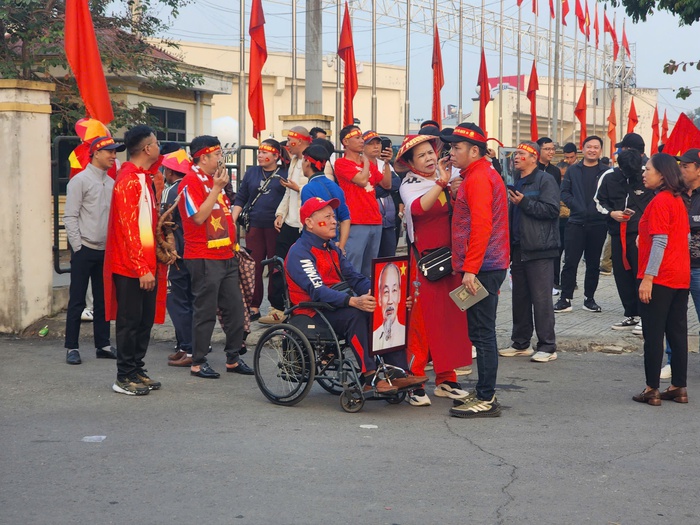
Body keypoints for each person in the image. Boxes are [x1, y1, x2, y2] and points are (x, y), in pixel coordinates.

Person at [285, 197, 427, 394]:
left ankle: (398, 372)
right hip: (311, 311)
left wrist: (385, 294)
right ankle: (370, 376)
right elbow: (317, 291)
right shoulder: (300, 252)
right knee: (356, 314)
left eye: (333, 216)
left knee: (386, 309)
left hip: (335, 305)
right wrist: (352, 300)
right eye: (327, 217)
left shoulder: (331, 247)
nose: (335, 221)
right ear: (309, 223)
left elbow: (355, 278)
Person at [396, 134, 472, 406]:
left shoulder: (447, 178)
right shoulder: (410, 185)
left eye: (430, 152)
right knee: (421, 320)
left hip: (450, 261)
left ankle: (447, 378)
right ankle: (415, 379)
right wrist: (442, 183)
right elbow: (418, 209)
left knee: (451, 317)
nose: (429, 158)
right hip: (425, 263)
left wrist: (452, 186)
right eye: (422, 156)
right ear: (411, 163)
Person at [442, 123, 510, 418]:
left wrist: (470, 269)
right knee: (479, 332)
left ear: (474, 150)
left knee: (483, 334)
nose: (451, 152)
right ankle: (484, 390)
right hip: (483, 265)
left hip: (483, 267)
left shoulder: (480, 177)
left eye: (456, 147)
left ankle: (486, 398)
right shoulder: (476, 175)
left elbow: (483, 226)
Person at [178, 135, 251, 379]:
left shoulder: (212, 179)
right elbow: (197, 217)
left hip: (226, 254)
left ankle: (233, 358)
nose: (221, 158)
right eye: (217, 154)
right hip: (203, 256)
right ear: (203, 157)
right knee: (205, 311)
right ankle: (198, 362)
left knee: (235, 309)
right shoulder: (190, 181)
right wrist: (218, 189)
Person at [104, 125, 167, 395]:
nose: (159, 147)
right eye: (156, 142)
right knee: (130, 322)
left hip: (144, 262)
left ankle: (136, 369)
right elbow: (129, 229)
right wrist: (142, 267)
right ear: (147, 149)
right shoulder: (129, 180)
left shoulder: (144, 177)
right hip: (130, 265)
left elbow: (145, 224)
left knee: (144, 320)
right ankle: (123, 375)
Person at [632, 153, 690, 406]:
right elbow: (682, 239)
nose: (644, 173)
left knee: (653, 334)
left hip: (661, 277)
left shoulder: (660, 201)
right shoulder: (678, 201)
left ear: (662, 175)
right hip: (680, 276)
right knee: (677, 334)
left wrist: (648, 277)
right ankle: (679, 386)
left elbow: (660, 241)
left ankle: (651, 388)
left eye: (648, 169)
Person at [63, 136, 124, 365]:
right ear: (96, 153)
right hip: (84, 249)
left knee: (103, 300)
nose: (113, 156)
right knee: (77, 300)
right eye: (109, 151)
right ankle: (71, 347)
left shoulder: (111, 183)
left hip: (105, 251)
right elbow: (70, 216)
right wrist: (77, 246)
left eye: (115, 152)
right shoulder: (80, 181)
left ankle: (103, 345)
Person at [499, 142, 560, 363]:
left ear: (534, 157)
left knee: (542, 299)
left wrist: (525, 203)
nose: (516, 157)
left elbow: (553, 210)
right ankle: (521, 343)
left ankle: (547, 346)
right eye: (515, 154)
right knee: (520, 298)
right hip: (518, 248)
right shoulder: (517, 181)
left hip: (540, 249)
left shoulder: (545, 180)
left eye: (521, 154)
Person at [594, 133, 653, 333]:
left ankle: (646, 317)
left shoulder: (648, 175)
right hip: (617, 234)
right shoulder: (609, 177)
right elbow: (598, 201)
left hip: (640, 237)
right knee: (621, 274)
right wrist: (612, 213)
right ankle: (631, 314)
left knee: (641, 274)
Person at [232, 139, 288, 320]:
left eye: (265, 153)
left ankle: (275, 306)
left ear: (276, 156)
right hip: (254, 225)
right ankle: (253, 306)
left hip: (275, 227)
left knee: (274, 266)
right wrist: (232, 220)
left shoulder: (284, 173)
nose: (261, 156)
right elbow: (241, 197)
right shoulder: (252, 172)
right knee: (252, 266)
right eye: (260, 152)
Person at [555, 135, 609, 313]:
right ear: (583, 149)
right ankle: (565, 299)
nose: (592, 150)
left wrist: (599, 209)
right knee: (570, 262)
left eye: (596, 147)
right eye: (589, 146)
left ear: (600, 150)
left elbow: (611, 195)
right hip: (576, 222)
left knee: (593, 263)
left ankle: (589, 299)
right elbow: (564, 193)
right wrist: (577, 207)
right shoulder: (573, 170)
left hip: (598, 223)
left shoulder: (606, 172)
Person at [265, 126, 312, 324]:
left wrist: (298, 187)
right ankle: (278, 308)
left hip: (304, 225)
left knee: (301, 267)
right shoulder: (293, 161)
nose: (287, 146)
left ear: (300, 142)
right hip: (289, 223)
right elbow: (287, 192)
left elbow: (319, 188)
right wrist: (280, 213)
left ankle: (302, 308)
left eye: (290, 141)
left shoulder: (315, 161)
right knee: (279, 264)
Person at [334, 125, 392, 277]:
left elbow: (387, 184)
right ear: (345, 142)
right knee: (353, 267)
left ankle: (367, 298)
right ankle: (352, 299)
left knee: (369, 270)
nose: (361, 141)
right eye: (357, 138)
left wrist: (386, 163)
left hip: (375, 220)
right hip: (356, 221)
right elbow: (361, 180)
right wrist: (366, 163)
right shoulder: (341, 163)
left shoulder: (369, 164)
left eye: (361, 138)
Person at [159, 149, 196, 367]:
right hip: (192, 251)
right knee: (190, 300)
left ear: (170, 171)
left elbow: (164, 222)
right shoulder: (192, 186)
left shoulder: (171, 191)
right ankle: (186, 346)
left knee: (176, 302)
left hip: (176, 252)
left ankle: (189, 348)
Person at [299, 144, 351, 247]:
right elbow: (345, 218)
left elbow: (309, 222)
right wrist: (341, 246)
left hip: (315, 243)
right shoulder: (336, 187)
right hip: (333, 242)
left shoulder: (308, 189)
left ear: (307, 162)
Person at [363, 130, 401, 257]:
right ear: (363, 146)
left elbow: (396, 183)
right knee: (372, 256)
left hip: (388, 219)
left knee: (389, 255)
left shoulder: (384, 164)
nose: (376, 147)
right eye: (371, 144)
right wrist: (384, 186)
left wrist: (381, 186)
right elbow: (366, 190)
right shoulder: (360, 164)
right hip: (369, 217)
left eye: (378, 143)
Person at [371, 262, 406, 350]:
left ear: (399, 295)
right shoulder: (373, 337)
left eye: (394, 290)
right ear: (379, 298)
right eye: (386, 292)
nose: (390, 301)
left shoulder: (406, 333)